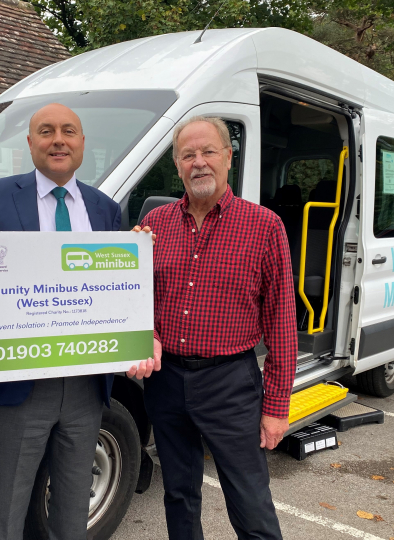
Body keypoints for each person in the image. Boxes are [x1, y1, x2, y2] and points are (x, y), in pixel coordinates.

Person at [0, 103, 157, 540]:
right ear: (31, 142)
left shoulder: (105, 209)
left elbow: (115, 291)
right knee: (8, 506)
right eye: (47, 131)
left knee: (74, 504)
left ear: (82, 143)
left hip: (85, 386)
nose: (59, 139)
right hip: (20, 383)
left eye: (68, 131)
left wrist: (138, 327)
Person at [139, 116, 297, 540]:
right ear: (177, 166)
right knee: (179, 494)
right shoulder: (156, 226)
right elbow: (143, 302)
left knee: (249, 501)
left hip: (230, 383)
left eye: (208, 151)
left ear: (228, 157)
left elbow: (281, 321)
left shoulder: (264, 226)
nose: (199, 163)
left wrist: (277, 405)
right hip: (166, 379)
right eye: (188, 155)